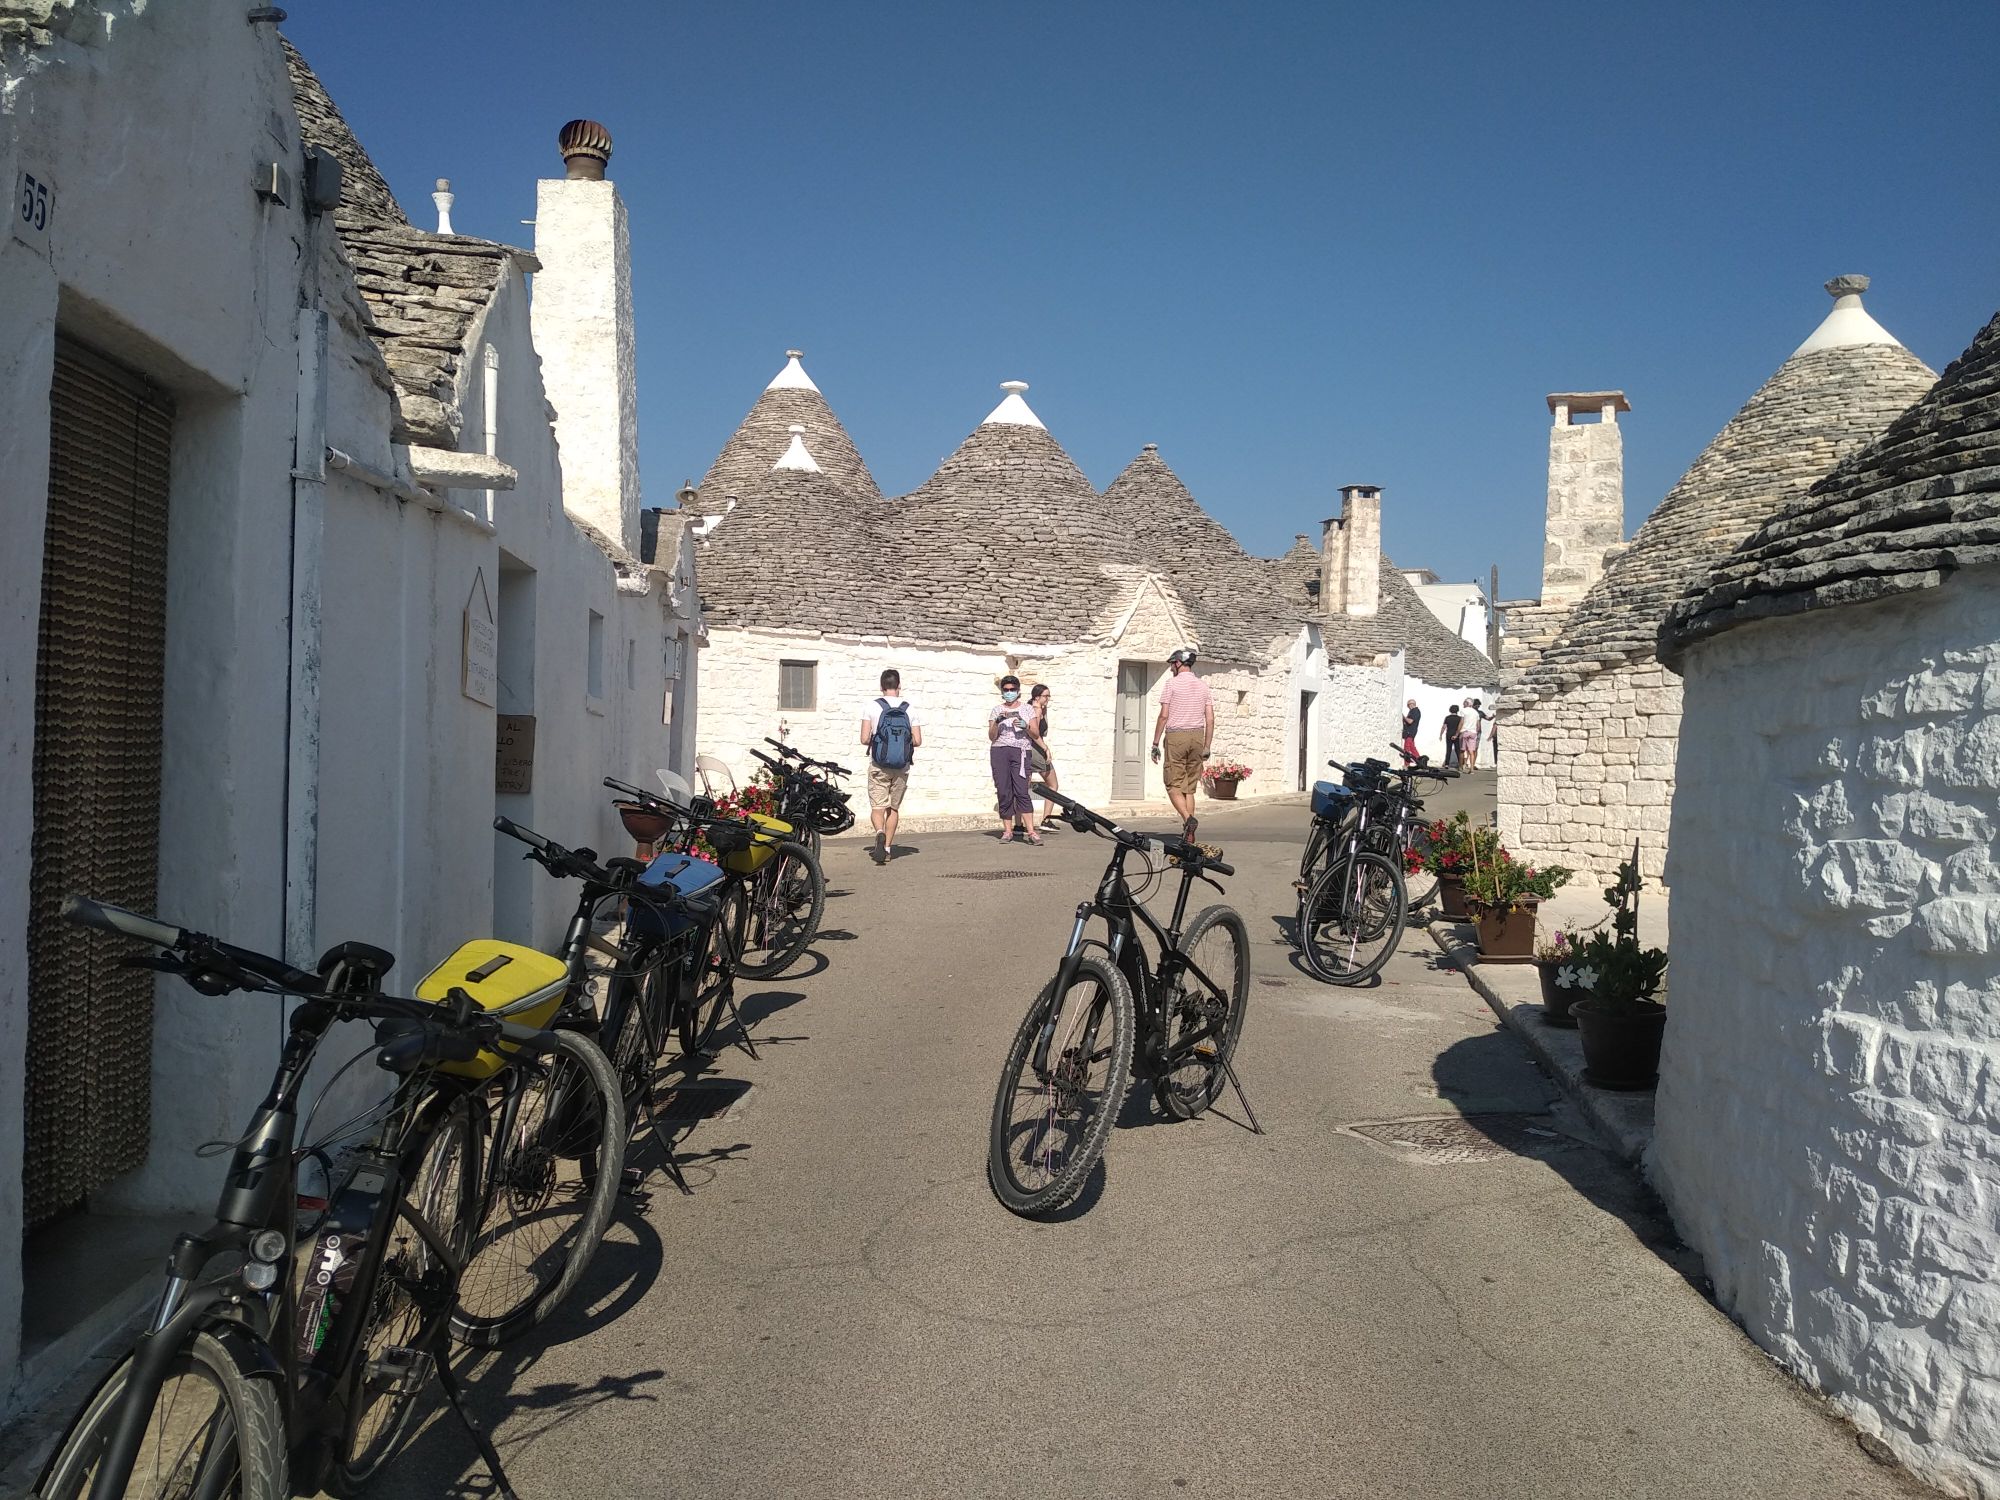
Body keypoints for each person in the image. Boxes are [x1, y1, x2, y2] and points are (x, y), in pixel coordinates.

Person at [860, 669, 922, 863]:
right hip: (901, 766)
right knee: (893, 809)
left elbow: (863, 739)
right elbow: (918, 741)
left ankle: (879, 831)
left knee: (878, 807)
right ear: (899, 686)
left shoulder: (871, 706)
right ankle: (887, 847)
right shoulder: (909, 708)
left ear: (881, 687)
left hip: (879, 764)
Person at [1150, 647, 1213, 825]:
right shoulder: (1203, 685)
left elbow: (1164, 715)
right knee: (1189, 788)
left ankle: (1188, 820)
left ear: (1178, 663)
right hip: (1197, 737)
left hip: (1177, 736)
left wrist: (1155, 744)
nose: (1171, 669)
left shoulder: (1171, 684)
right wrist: (1207, 746)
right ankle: (1188, 833)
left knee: (1173, 784)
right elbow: (1210, 718)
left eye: (1172, 665)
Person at [987, 674, 1048, 844]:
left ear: (1018, 691)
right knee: (1004, 790)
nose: (1009, 692)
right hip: (1000, 751)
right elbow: (992, 737)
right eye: (1006, 690)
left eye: (1012, 690)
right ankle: (1008, 830)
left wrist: (1025, 725)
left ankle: (1031, 831)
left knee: (1021, 790)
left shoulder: (1027, 709)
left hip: (1021, 750)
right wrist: (997, 723)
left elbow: (1035, 733)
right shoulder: (996, 709)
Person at [1028, 684, 1061, 829]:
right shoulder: (1036, 710)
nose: (1048, 699)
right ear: (1037, 697)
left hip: (1027, 750)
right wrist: (1045, 748)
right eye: (1045, 696)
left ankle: (1021, 824)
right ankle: (1046, 819)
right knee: (1053, 784)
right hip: (1036, 749)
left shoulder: (1032, 708)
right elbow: (1034, 733)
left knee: (1023, 786)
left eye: (1049, 696)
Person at [1465, 697, 1493, 771]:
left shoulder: (1479, 713)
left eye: (1478, 706)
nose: (1477, 707)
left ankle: (1471, 764)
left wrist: (1493, 716)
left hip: (1476, 731)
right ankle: (1467, 763)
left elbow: (1488, 718)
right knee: (1470, 748)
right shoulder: (1474, 712)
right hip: (1472, 730)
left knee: (1474, 748)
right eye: (1476, 705)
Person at [1440, 702, 1464, 771]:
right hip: (1457, 734)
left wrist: (1441, 734)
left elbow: (1444, 726)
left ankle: (1447, 764)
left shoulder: (1447, 718)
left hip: (1449, 734)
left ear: (1450, 710)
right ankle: (1460, 764)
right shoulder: (1459, 718)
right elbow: (1461, 726)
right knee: (1458, 750)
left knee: (1448, 749)